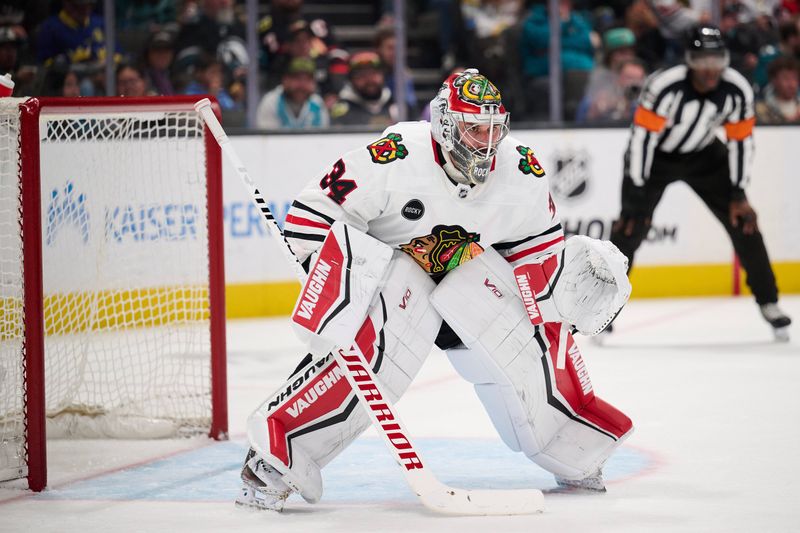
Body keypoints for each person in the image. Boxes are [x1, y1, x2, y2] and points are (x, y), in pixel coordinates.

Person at [235, 68, 634, 512]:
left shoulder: (521, 171)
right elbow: (312, 214)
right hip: (392, 284)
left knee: (529, 337)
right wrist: (342, 281)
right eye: (473, 128)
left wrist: (564, 287)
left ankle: (566, 440)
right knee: (379, 344)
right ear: (444, 124)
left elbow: (536, 254)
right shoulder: (395, 157)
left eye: (492, 129)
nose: (485, 142)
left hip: (469, 283)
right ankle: (277, 456)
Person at [609, 25, 792, 340]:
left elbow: (741, 142)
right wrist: (637, 194)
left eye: (716, 59)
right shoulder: (664, 86)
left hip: (705, 155)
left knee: (745, 222)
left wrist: (738, 191)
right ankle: (602, 310)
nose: (710, 70)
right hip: (655, 159)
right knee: (629, 229)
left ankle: (769, 301)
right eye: (701, 60)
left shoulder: (737, 89)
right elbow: (641, 140)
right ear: (689, 60)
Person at [255, 56, 329, 129]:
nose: (302, 85)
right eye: (297, 78)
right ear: (285, 80)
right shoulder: (271, 102)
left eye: (308, 79)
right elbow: (266, 139)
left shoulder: (317, 104)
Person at [330, 51, 395, 127]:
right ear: (351, 80)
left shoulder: (397, 104)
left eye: (373, 73)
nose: (369, 80)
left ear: (383, 76)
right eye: (361, 75)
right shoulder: (341, 110)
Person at [755, 55, 800, 123]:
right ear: (773, 80)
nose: (792, 84)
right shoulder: (760, 109)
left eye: (795, 78)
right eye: (786, 78)